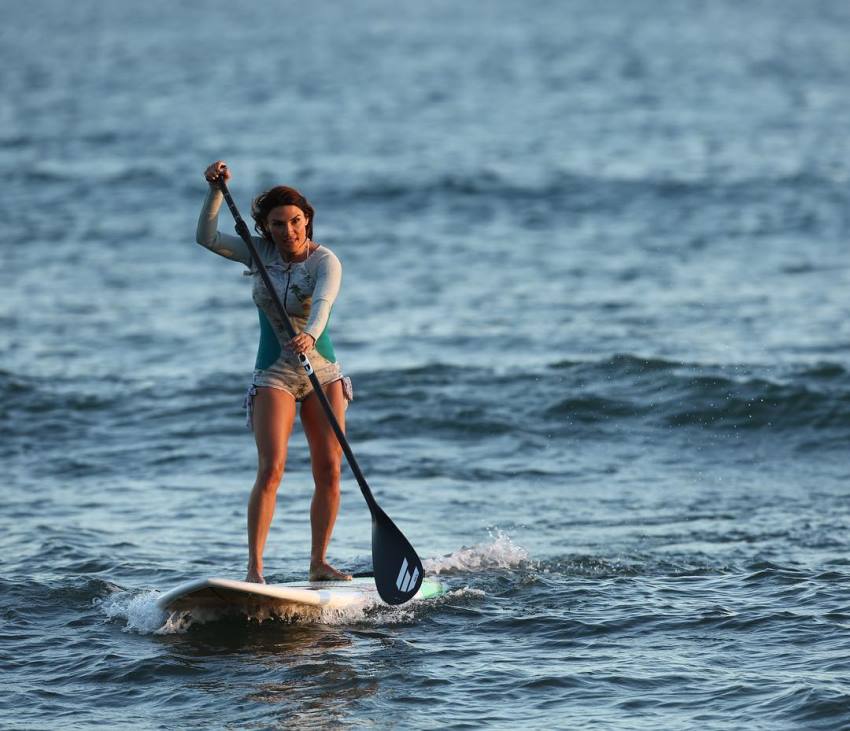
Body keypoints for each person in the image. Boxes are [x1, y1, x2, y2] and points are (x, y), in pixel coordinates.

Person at [196, 160, 353, 584]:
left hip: (322, 370)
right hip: (275, 373)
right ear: (266, 228)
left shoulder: (325, 261)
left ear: (308, 221)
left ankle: (319, 562)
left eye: (296, 221)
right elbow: (206, 238)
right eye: (278, 224)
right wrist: (215, 191)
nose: (289, 231)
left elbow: (323, 303)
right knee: (271, 468)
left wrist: (311, 335)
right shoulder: (258, 253)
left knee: (330, 469)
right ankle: (255, 571)